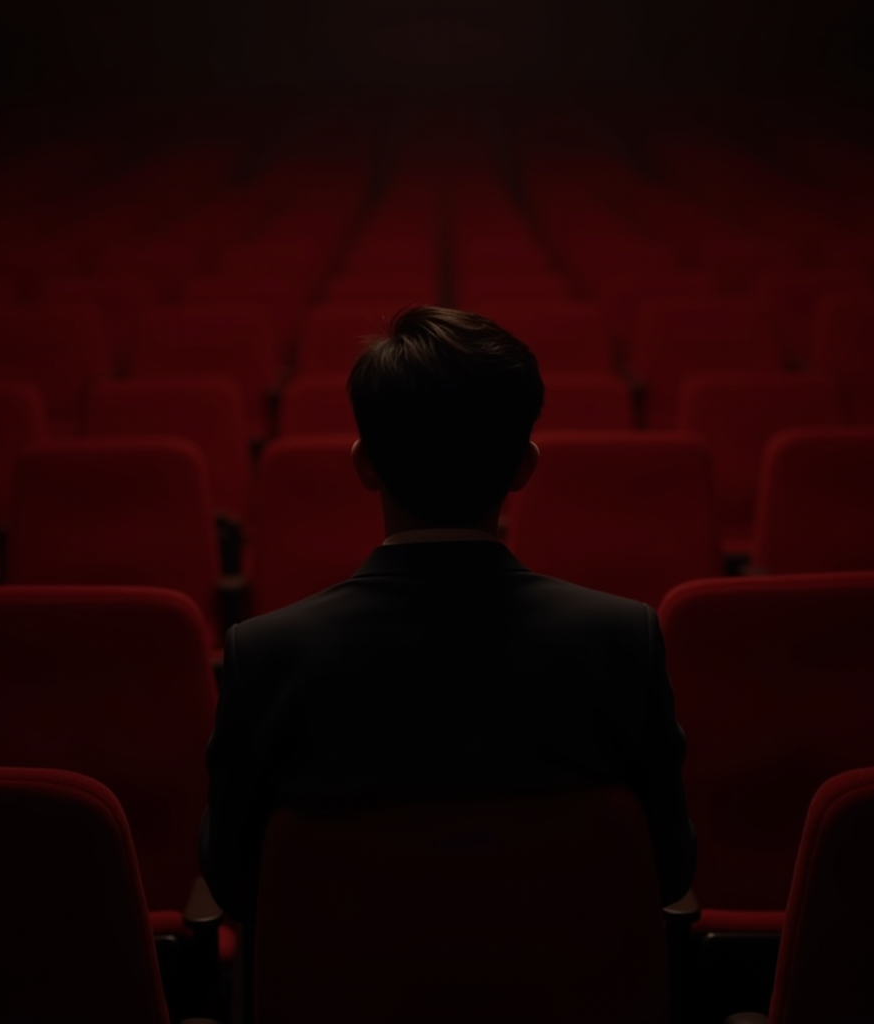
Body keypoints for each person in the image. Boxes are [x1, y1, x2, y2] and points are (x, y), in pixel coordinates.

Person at [201, 304, 695, 927]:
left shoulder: (266, 656)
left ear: (364, 464)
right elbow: (669, 870)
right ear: (524, 467)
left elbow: (233, 883)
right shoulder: (623, 642)